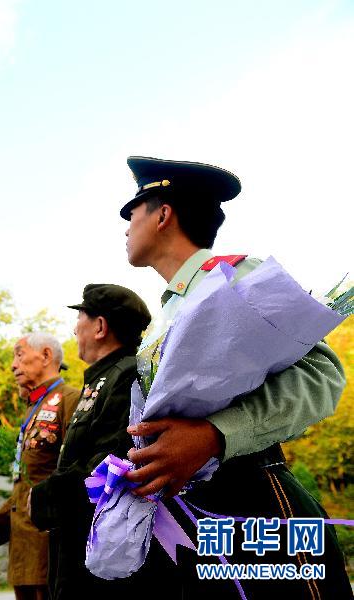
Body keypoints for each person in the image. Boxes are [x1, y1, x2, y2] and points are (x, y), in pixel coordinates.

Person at [119, 156, 350, 598]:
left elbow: (322, 375)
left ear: (163, 214)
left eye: (133, 212)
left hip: (254, 505)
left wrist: (215, 434)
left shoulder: (232, 278)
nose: (126, 226)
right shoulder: (164, 312)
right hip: (193, 515)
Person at [28, 284, 176, 598]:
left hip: (101, 554)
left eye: (80, 317)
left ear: (99, 327)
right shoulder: (103, 377)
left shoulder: (125, 376)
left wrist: (44, 497)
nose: (74, 328)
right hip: (80, 542)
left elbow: (111, 464)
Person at [0, 332, 79, 600]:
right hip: (24, 552)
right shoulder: (32, 410)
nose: (13, 365)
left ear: (45, 356)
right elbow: (29, 482)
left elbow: (75, 474)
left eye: (19, 354)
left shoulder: (70, 400)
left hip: (50, 551)